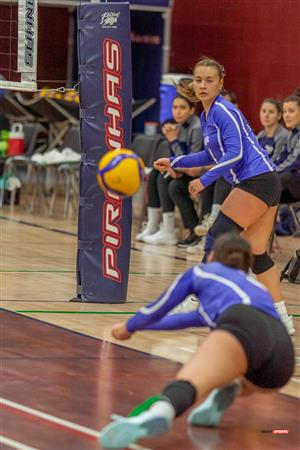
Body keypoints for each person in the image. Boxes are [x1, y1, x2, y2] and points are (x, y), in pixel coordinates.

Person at [99, 233, 294, 450]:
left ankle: (159, 413)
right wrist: (140, 327)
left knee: (191, 381)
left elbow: (159, 307)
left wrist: (129, 327)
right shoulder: (255, 287)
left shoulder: (201, 271)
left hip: (243, 324)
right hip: (281, 358)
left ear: (212, 256)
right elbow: (186, 319)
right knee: (241, 360)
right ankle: (231, 388)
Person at [153, 56, 295, 335]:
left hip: (257, 181)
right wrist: (177, 162)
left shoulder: (223, 111)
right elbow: (211, 153)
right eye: (198, 80)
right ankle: (282, 317)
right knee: (257, 254)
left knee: (216, 236)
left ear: (221, 83)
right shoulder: (207, 115)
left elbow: (236, 153)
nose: (203, 85)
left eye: (209, 80)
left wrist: (205, 180)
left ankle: (197, 301)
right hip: (263, 182)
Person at [136, 95, 203, 247]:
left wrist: (173, 140)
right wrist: (174, 168)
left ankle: (183, 230)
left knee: (171, 183)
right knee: (155, 174)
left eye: (182, 108)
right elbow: (177, 158)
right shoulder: (179, 126)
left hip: (201, 173)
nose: (177, 112)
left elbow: (193, 161)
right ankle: (155, 225)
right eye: (175, 108)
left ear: (192, 110)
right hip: (185, 171)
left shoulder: (197, 128)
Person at [274, 94, 300, 202]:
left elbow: (296, 161)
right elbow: (281, 158)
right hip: (291, 184)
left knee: (284, 177)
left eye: (291, 111)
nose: (286, 115)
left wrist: (273, 172)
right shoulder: (290, 134)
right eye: (284, 112)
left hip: (295, 182)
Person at [257, 97, 289, 162]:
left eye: (271, 112)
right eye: (263, 111)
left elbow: (275, 162)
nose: (266, 115)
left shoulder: (283, 136)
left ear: (279, 115)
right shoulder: (260, 135)